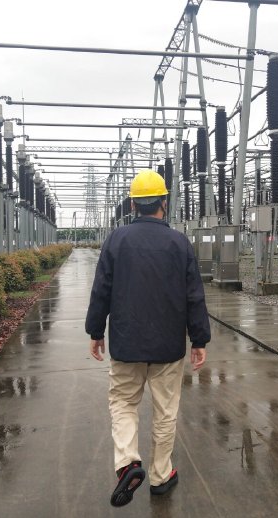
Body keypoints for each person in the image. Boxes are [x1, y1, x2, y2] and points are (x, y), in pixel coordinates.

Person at [85, 169, 211, 507]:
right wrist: (199, 340)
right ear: (163, 203)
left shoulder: (116, 240)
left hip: (126, 342)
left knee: (124, 402)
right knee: (165, 411)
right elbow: (194, 296)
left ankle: (128, 462)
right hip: (168, 346)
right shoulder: (179, 243)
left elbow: (101, 289)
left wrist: (96, 331)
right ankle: (160, 476)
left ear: (133, 204)